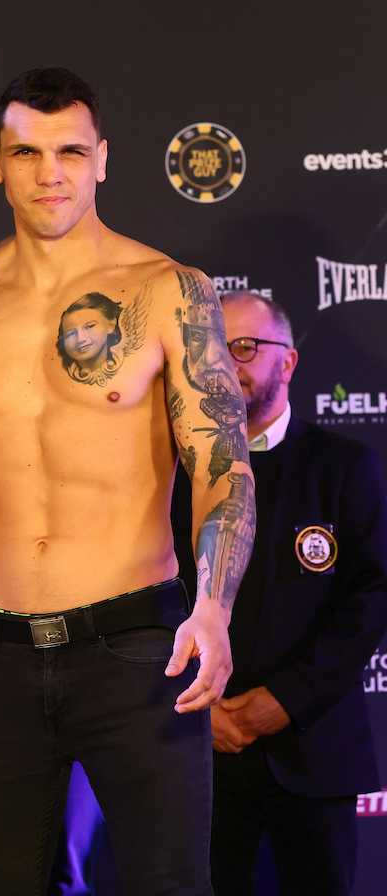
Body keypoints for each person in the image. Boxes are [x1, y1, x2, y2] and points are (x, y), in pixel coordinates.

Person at [0, 67, 254, 895]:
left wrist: (215, 608)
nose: (51, 173)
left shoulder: (166, 293)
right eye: (28, 153)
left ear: (103, 160)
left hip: (137, 652)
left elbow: (221, 466)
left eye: (71, 152)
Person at [171, 292, 387, 896]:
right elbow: (152, 595)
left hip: (313, 748)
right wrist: (199, 709)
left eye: (244, 347)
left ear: (286, 364)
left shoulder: (343, 466)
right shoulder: (174, 472)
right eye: (215, 349)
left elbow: (370, 598)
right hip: (200, 748)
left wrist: (287, 699)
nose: (227, 363)